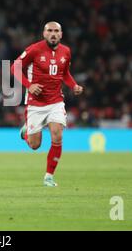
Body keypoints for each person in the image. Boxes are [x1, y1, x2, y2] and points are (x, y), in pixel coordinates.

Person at [11, 21, 83, 187]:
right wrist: (29, 86)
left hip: (56, 101)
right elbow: (14, 67)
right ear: (44, 34)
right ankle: (26, 131)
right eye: (49, 31)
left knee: (57, 134)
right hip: (35, 103)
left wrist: (74, 86)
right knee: (35, 145)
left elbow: (65, 74)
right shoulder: (34, 49)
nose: (53, 34)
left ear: (61, 34)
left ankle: (49, 176)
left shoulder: (66, 52)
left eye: (56, 31)